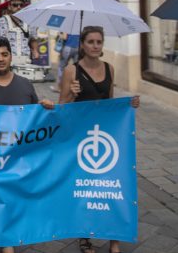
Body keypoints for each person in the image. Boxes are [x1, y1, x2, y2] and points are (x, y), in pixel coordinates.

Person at [0, 36, 54, 253]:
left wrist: (46, 108)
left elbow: (36, 122)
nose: (1, 59)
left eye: (4, 54)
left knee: (16, 202)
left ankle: (8, 238)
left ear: (11, 56)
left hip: (19, 158)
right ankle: (6, 242)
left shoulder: (25, 84)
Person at [59, 26, 139, 253]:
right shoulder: (71, 71)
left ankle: (114, 239)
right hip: (80, 140)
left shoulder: (109, 69)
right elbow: (61, 108)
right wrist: (71, 94)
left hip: (106, 138)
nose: (95, 46)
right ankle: (84, 236)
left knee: (112, 187)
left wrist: (128, 105)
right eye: (91, 41)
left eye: (99, 42)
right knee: (85, 189)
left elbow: (110, 103)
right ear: (82, 44)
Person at [0, 0, 35, 66]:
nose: (18, 7)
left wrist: (35, 50)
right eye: (15, 5)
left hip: (26, 62)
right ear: (9, 6)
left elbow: (33, 39)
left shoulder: (29, 22)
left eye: (21, 5)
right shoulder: (1, 22)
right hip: (6, 63)